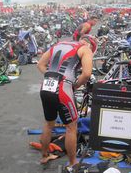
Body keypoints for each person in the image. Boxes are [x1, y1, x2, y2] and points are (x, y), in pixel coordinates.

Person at [37, 35, 97, 170]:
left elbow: (40, 64)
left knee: (49, 123)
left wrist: (51, 76)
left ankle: (45, 156)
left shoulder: (59, 44)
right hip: (63, 87)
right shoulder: (85, 49)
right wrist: (75, 85)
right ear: (91, 46)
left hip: (46, 85)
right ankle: (72, 163)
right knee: (71, 127)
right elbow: (87, 74)